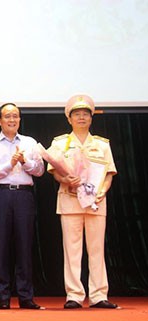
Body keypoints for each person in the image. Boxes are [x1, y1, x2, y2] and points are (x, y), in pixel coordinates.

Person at [47, 94, 118, 309]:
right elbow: (54, 172)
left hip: (96, 203)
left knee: (96, 249)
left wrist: (102, 191)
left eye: (85, 114)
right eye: (76, 114)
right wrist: (65, 179)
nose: (81, 118)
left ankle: (98, 295)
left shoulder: (102, 145)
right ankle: (74, 295)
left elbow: (109, 173)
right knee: (72, 250)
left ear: (91, 118)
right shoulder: (60, 143)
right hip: (70, 202)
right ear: (69, 119)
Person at [0, 103, 44, 310]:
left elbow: (40, 170)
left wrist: (24, 161)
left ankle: (26, 297)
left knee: (25, 246)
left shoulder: (30, 142)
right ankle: (3, 297)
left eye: (15, 116)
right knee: (1, 245)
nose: (12, 120)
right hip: (0, 195)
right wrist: (10, 163)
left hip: (24, 196)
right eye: (7, 116)